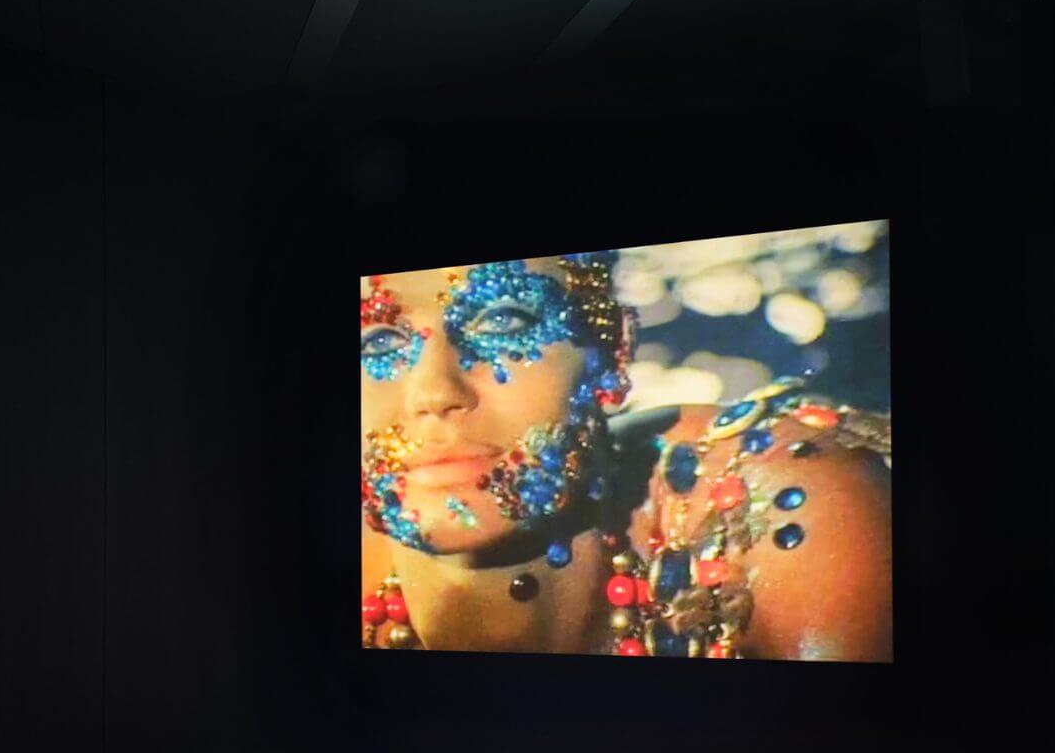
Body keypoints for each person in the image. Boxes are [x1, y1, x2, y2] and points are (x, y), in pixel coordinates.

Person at [360, 252, 891, 660]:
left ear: (613, 349)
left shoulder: (771, 508)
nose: (433, 393)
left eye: (504, 323)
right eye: (378, 344)